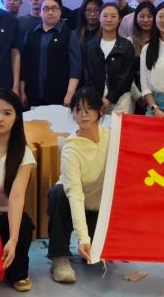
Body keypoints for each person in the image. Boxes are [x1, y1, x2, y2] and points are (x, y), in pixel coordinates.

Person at [47, 88, 109, 284]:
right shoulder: (71, 148)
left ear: (100, 111)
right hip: (74, 204)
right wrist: (83, 238)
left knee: (98, 256)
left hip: (99, 209)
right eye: (78, 109)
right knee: (58, 193)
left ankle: (97, 243)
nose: (84, 114)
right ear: (72, 113)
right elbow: (75, 194)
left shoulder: (111, 137)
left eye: (90, 108)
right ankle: (59, 258)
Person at [0, 88, 36, 292]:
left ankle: (17, 272)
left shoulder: (24, 154)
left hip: (8, 217)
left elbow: (16, 196)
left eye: (7, 113)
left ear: (16, 118)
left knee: (23, 225)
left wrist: (13, 240)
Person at [20, 0, 81, 107]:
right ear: (40, 12)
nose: (50, 12)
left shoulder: (69, 34)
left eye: (54, 8)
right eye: (46, 9)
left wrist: (70, 93)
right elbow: (24, 65)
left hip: (60, 94)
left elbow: (75, 68)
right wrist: (22, 90)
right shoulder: (31, 34)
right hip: (32, 93)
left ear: (60, 11)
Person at [82, 2, 135, 114]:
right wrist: (96, 98)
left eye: (113, 16)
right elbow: (87, 75)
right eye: (105, 16)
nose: (109, 19)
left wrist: (109, 98)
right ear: (99, 18)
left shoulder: (126, 46)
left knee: (118, 125)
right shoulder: (90, 46)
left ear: (119, 19)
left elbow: (126, 77)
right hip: (95, 100)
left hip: (120, 101)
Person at [128, 1, 156, 115]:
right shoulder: (128, 42)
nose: (145, 20)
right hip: (135, 96)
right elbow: (125, 74)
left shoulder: (160, 41)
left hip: (158, 96)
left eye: (149, 16)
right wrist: (138, 96)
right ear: (136, 18)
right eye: (141, 16)